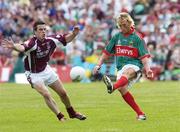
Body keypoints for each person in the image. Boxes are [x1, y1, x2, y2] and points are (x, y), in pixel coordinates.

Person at [1, 20, 86, 122]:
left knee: (63, 93)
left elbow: (66, 39)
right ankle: (60, 116)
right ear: (35, 32)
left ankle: (72, 113)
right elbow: (22, 47)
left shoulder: (51, 40)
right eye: (40, 29)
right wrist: (14, 46)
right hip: (33, 74)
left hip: (46, 70)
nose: (43, 31)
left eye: (45, 29)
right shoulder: (32, 43)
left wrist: (74, 34)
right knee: (46, 94)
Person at [93, 12, 153, 121]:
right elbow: (106, 52)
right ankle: (141, 114)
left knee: (127, 73)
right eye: (120, 26)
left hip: (135, 65)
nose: (122, 28)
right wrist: (98, 65)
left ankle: (112, 87)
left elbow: (144, 57)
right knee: (122, 89)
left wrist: (148, 69)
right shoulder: (116, 37)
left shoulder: (137, 38)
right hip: (121, 67)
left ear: (130, 23)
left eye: (124, 25)